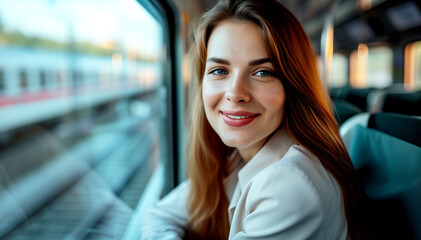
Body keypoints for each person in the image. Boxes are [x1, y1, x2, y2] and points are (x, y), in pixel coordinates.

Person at [142, 0, 372, 239]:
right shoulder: (238, 156)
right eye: (219, 70)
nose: (235, 93)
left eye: (262, 72)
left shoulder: (290, 185)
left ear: (293, 87)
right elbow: (159, 216)